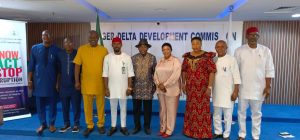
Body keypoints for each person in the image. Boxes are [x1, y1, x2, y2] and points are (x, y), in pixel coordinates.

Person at [234, 27, 275, 140]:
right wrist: (236, 89)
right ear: (246, 36)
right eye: (251, 35)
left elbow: (269, 69)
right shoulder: (239, 51)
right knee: (241, 113)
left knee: (256, 114)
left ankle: (255, 136)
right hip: (243, 88)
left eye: (255, 35)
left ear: (258, 36)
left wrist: (267, 87)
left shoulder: (265, 50)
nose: (253, 37)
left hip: (259, 89)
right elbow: (235, 71)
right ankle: (242, 134)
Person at [73, 30, 108, 137]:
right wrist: (77, 81)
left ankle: (101, 124)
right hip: (86, 84)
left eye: (95, 38)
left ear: (98, 38)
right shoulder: (81, 49)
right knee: (87, 107)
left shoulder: (104, 50)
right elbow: (77, 66)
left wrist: (107, 85)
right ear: (88, 38)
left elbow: (107, 68)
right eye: (91, 38)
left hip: (100, 84)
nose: (93, 40)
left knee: (100, 106)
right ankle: (89, 125)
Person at [182, 37, 216, 139]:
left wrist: (209, 87)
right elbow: (184, 70)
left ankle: (203, 132)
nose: (195, 46)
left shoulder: (207, 56)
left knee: (203, 110)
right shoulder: (187, 56)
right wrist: (183, 83)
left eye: (197, 43)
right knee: (191, 109)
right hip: (191, 89)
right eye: (193, 44)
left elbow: (212, 72)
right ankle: (190, 131)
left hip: (203, 89)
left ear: (201, 44)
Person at [28, 30, 60, 134]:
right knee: (40, 105)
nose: (44, 36)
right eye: (43, 35)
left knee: (52, 104)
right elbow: (31, 66)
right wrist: (29, 80)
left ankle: (51, 124)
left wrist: (57, 82)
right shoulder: (35, 48)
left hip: (52, 82)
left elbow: (59, 69)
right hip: (38, 82)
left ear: (51, 36)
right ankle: (42, 124)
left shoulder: (56, 50)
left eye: (47, 34)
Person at [103, 37, 135, 136]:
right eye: (114, 44)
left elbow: (130, 74)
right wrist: (106, 88)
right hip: (111, 88)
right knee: (113, 108)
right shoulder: (107, 57)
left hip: (123, 88)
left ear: (121, 45)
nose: (116, 45)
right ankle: (113, 126)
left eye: (118, 44)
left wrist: (129, 87)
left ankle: (123, 126)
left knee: (123, 108)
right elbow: (105, 74)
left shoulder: (127, 57)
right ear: (112, 45)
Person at [212, 40, 241, 140]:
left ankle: (226, 134)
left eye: (222, 46)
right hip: (216, 92)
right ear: (215, 48)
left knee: (228, 115)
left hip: (228, 92)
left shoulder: (231, 59)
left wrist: (236, 91)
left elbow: (237, 76)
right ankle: (218, 131)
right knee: (216, 113)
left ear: (226, 48)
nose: (220, 48)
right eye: (218, 47)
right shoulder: (213, 60)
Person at [153, 43, 181, 138]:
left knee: (171, 111)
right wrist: (158, 84)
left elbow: (175, 75)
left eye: (167, 49)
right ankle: (162, 128)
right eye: (164, 49)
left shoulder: (175, 61)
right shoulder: (160, 60)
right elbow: (155, 74)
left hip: (172, 90)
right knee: (162, 110)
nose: (165, 51)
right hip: (161, 90)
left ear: (171, 50)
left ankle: (169, 130)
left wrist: (164, 85)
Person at [131, 39, 157, 135]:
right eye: (140, 46)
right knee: (136, 109)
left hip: (148, 87)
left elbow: (155, 73)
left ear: (147, 48)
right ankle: (137, 126)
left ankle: (147, 127)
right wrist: (130, 87)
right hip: (136, 88)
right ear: (138, 48)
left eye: (144, 46)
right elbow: (130, 74)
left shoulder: (152, 58)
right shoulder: (133, 58)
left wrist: (155, 86)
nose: (142, 48)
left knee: (147, 110)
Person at [57, 37, 81, 133]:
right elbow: (58, 71)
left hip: (75, 86)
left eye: (69, 42)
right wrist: (57, 83)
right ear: (63, 44)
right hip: (63, 86)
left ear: (73, 43)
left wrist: (78, 82)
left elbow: (81, 70)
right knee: (64, 106)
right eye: (65, 43)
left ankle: (76, 124)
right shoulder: (60, 54)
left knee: (76, 106)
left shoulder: (77, 53)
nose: (68, 44)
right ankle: (66, 124)